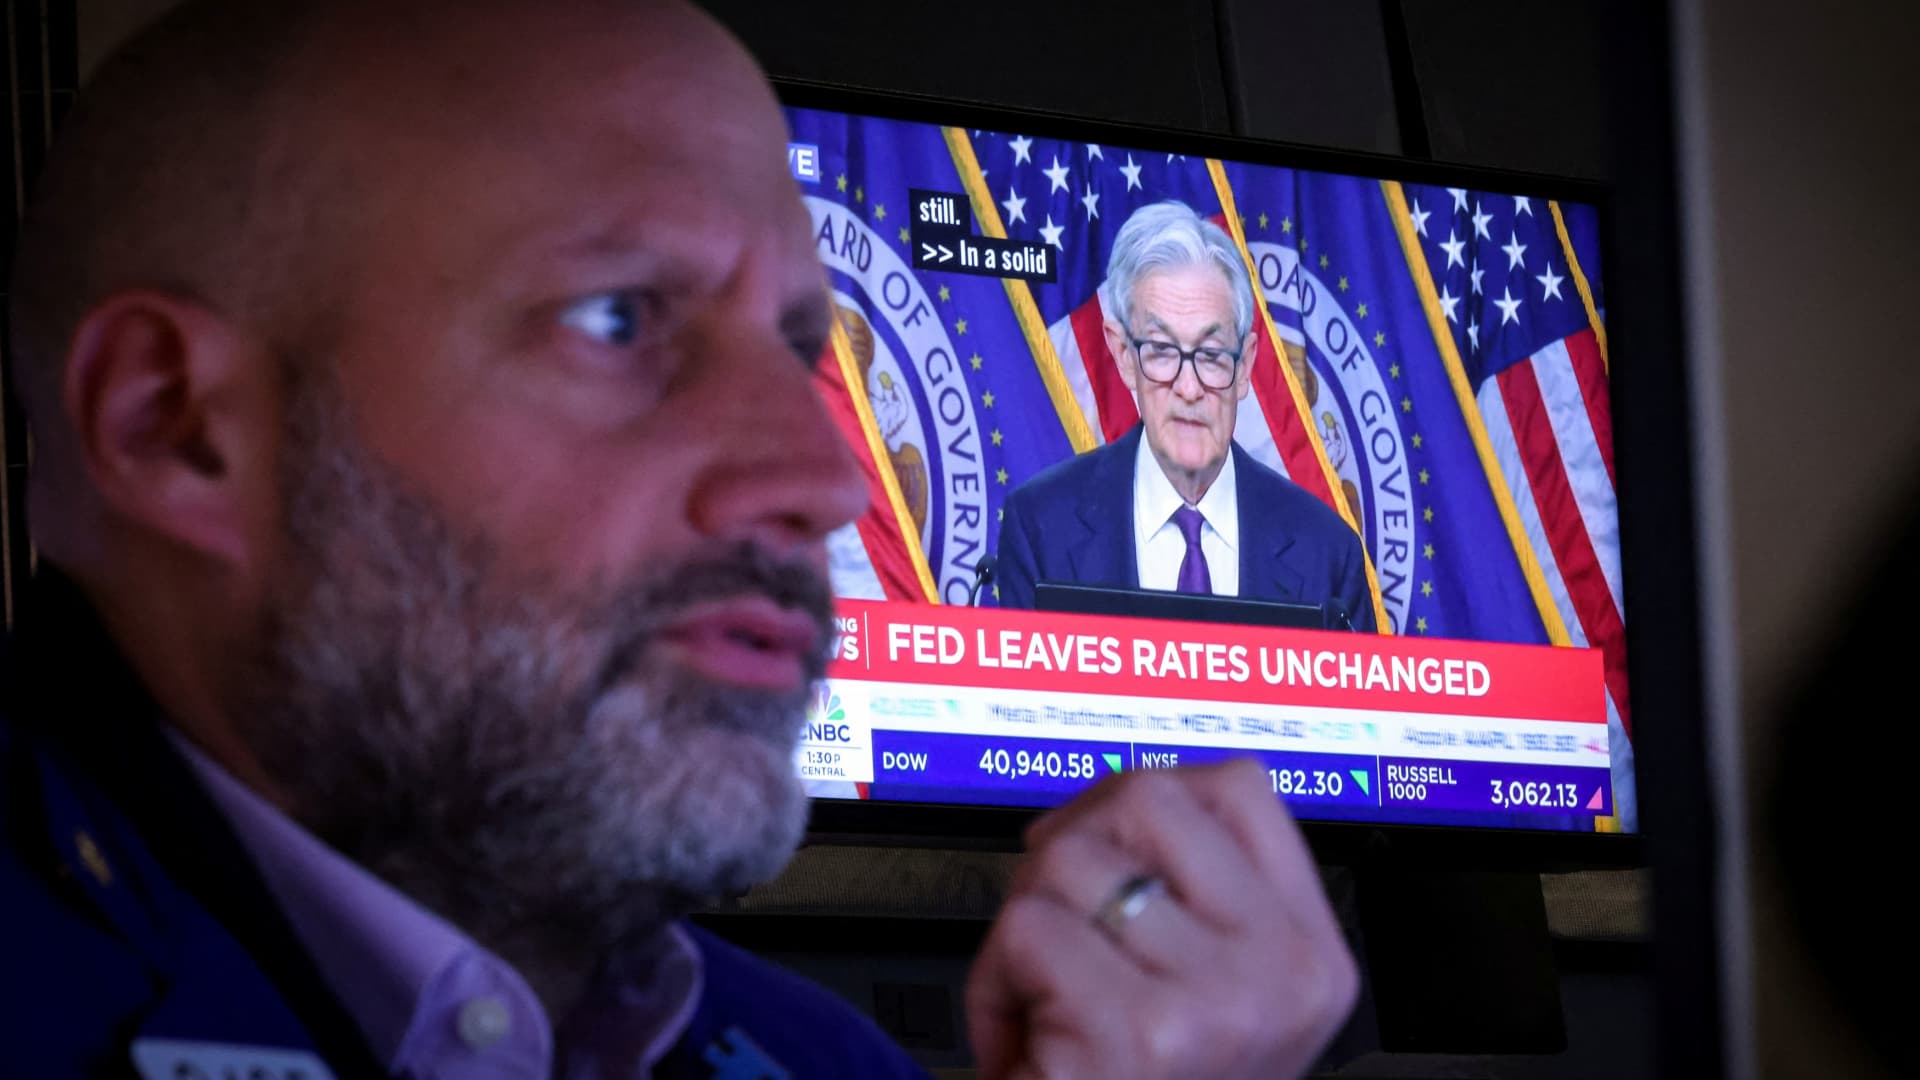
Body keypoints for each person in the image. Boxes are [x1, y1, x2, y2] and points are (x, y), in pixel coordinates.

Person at [0, 2, 1358, 1077]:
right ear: (175, 425)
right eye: (618, 320)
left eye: (795, 348)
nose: (823, 482)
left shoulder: (824, 1059)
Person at [995, 201, 1375, 630]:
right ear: (1124, 356)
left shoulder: (1327, 553)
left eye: (1211, 355)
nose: (1189, 388)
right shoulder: (1041, 528)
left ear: (1245, 366)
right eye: (1161, 350)